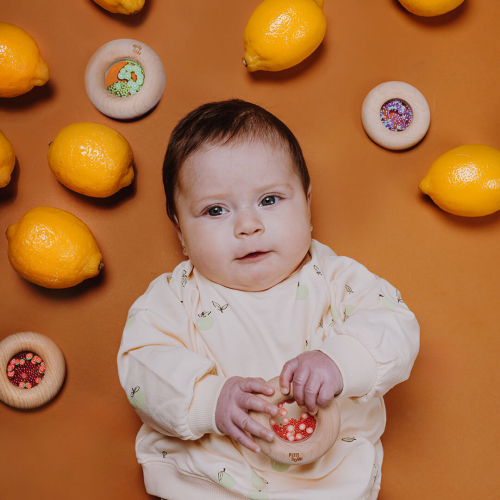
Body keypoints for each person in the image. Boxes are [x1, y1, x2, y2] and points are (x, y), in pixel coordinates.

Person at [117, 99, 420, 500]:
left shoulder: (335, 279)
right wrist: (211, 400)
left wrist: (341, 361)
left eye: (270, 200)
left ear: (308, 206)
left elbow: (395, 324)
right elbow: (142, 366)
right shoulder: (173, 298)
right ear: (181, 234)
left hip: (328, 482)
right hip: (208, 481)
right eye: (215, 210)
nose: (248, 225)